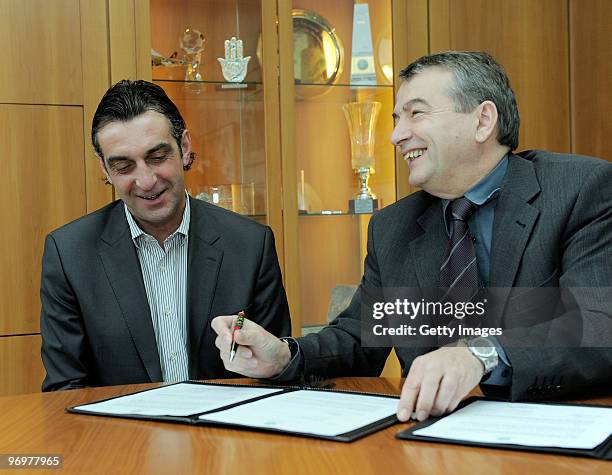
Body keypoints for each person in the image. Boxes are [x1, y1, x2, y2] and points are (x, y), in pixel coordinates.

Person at [211, 51, 612, 422]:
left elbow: (596, 324)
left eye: (415, 114)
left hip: (555, 427)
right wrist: (283, 355)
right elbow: (358, 338)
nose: (396, 136)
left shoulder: (578, 190)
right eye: (396, 120)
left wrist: (480, 353)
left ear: (483, 120)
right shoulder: (393, 227)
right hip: (430, 435)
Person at [40, 80, 290, 391]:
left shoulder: (251, 244)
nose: (145, 181)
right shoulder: (69, 254)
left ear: (184, 147)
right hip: (119, 437)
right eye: (123, 166)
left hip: (228, 434)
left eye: (157, 157)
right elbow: (66, 389)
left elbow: (276, 372)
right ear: (104, 170)